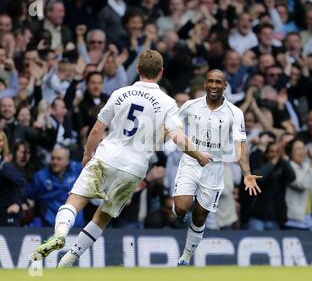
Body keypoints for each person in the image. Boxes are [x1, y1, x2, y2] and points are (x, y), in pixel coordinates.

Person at [31, 49, 211, 267]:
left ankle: (60, 233)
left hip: (106, 156)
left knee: (75, 200)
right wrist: (200, 155)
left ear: (137, 70)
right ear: (161, 72)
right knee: (103, 216)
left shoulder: (120, 93)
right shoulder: (167, 103)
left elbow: (98, 129)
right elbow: (178, 138)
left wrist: (88, 155)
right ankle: (69, 260)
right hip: (133, 168)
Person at [173, 69, 262, 266]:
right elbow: (173, 128)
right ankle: (178, 211)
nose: (214, 85)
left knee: (200, 216)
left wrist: (247, 173)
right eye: (211, 81)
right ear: (205, 84)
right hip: (191, 162)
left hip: (214, 169)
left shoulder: (235, 113)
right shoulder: (190, 106)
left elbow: (240, 145)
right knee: (181, 207)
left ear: (225, 86)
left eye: (218, 82)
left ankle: (186, 258)